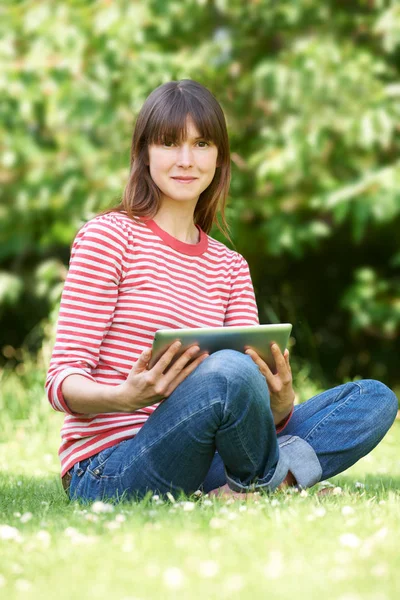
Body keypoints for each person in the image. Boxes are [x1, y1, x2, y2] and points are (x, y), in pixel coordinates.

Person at [45, 79, 398, 502]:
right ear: (144, 153)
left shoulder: (229, 265)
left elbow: (244, 405)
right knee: (227, 370)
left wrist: (280, 406)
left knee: (371, 398)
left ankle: (246, 490)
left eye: (202, 144)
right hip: (111, 467)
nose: (186, 160)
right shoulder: (109, 237)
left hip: (209, 453)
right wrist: (126, 396)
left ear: (219, 158)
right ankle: (270, 487)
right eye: (169, 144)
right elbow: (61, 381)